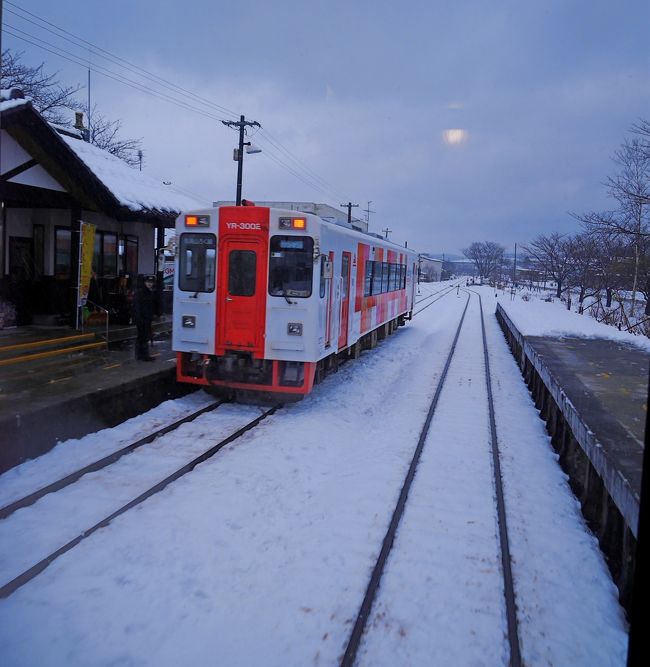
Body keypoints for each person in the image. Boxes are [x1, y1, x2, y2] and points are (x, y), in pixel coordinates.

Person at [133, 274, 158, 361]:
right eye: (148, 282)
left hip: (147, 318)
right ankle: (144, 356)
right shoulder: (140, 293)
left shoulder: (150, 292)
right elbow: (137, 307)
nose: (150, 284)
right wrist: (139, 318)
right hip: (142, 318)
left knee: (143, 337)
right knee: (143, 337)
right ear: (144, 282)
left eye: (151, 282)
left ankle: (140, 355)